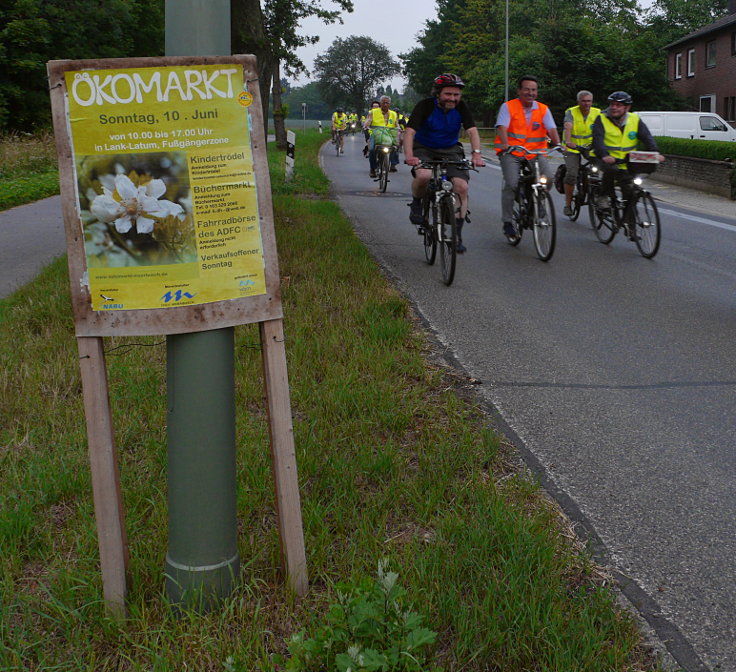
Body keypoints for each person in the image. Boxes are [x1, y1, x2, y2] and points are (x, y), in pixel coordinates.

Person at [404, 73, 485, 254]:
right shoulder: (425, 106)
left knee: (461, 186)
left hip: (450, 149)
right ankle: (417, 203)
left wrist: (476, 155)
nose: (453, 99)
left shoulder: (461, 107)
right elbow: (409, 132)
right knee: (424, 175)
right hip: (424, 147)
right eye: (448, 94)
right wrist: (410, 155)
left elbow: (472, 131)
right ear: (438, 93)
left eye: (456, 95)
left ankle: (456, 235)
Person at [495, 75, 561, 240]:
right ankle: (508, 222)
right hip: (512, 152)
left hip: (535, 152)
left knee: (549, 178)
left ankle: (538, 203)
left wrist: (558, 144)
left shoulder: (543, 109)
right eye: (526, 89)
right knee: (511, 183)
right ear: (519, 91)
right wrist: (505, 144)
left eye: (533, 90)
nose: (530, 93)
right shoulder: (508, 107)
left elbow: (551, 129)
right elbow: (502, 127)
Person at [591, 91, 664, 233]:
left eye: (618, 105)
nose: (614, 108)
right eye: (612, 104)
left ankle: (630, 226)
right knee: (610, 170)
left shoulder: (634, 120)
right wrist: (604, 155)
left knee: (630, 192)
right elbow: (597, 140)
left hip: (626, 163)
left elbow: (647, 138)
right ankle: (603, 196)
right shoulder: (601, 119)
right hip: (604, 159)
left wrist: (656, 153)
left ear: (627, 108)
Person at [562, 90, 600, 217]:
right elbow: (568, 126)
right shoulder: (571, 112)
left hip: (590, 147)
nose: (586, 104)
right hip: (572, 147)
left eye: (588, 101)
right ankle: (568, 204)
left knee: (596, 172)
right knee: (572, 173)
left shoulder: (598, 113)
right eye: (583, 101)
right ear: (578, 102)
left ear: (592, 102)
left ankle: (597, 198)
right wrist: (568, 141)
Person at [363, 95, 400, 178]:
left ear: (390, 104)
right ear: (380, 103)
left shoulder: (394, 114)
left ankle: (393, 164)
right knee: (372, 150)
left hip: (389, 136)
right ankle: (372, 169)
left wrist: (399, 129)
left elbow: (396, 124)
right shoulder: (373, 112)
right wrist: (366, 126)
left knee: (396, 146)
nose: (385, 104)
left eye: (387, 103)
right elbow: (368, 121)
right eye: (384, 103)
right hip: (376, 134)